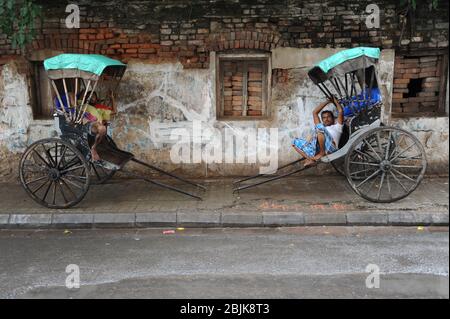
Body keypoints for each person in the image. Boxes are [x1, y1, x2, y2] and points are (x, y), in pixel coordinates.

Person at [292, 96, 344, 167]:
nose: (326, 119)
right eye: (324, 118)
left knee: (319, 128)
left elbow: (340, 111)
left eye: (329, 117)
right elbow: (315, 113)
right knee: (294, 142)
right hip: (318, 148)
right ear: (322, 119)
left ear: (333, 118)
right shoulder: (322, 128)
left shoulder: (337, 126)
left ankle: (321, 153)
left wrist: (335, 101)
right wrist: (328, 101)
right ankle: (310, 159)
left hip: (331, 148)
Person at [70, 90, 116, 162]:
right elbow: (75, 97)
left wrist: (112, 98)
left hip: (97, 126)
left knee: (102, 128)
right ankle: (93, 148)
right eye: (89, 96)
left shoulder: (99, 108)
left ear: (96, 98)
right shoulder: (82, 104)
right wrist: (85, 92)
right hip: (87, 125)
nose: (91, 98)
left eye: (93, 96)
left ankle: (95, 148)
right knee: (102, 128)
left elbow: (114, 112)